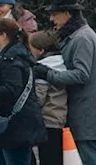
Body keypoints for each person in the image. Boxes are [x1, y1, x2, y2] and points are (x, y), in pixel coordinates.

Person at [33, 0, 96, 165]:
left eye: (55, 14)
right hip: (82, 111)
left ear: (67, 13)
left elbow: (81, 74)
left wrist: (48, 74)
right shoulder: (78, 35)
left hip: (85, 112)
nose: (51, 18)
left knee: (91, 158)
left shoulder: (81, 38)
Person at [0, 18, 46, 165]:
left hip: (15, 127)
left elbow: (12, 89)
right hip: (14, 125)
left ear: (4, 35)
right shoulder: (17, 54)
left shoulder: (10, 59)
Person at [27, 30, 68, 165]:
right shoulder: (60, 65)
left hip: (47, 119)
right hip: (59, 117)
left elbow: (39, 97)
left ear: (40, 50)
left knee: (48, 157)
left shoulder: (43, 69)